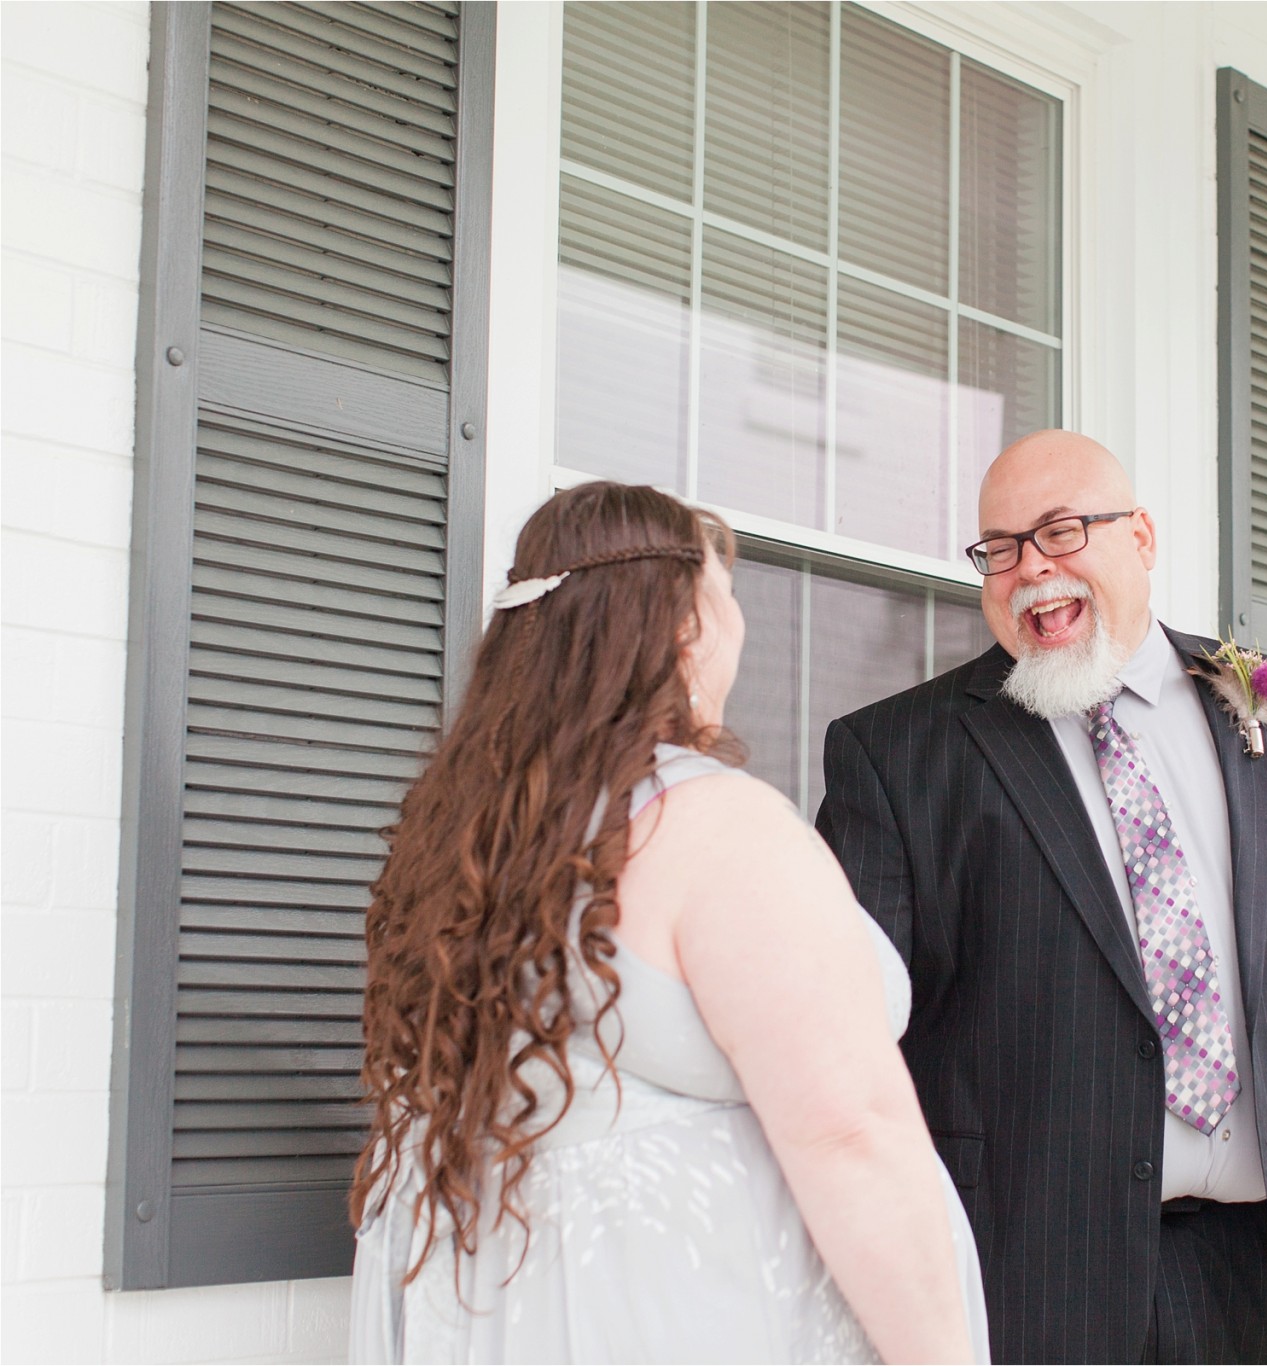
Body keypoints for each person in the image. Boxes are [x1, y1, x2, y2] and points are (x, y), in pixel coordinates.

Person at [349, 481, 986, 1364]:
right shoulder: (717, 827)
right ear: (687, 625)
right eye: (729, 599)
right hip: (688, 1320)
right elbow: (851, 1135)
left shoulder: (470, 840)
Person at [816, 431, 1267, 1364]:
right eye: (1001, 549)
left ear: (1141, 537)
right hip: (1024, 1273)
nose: (1030, 570)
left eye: (1061, 533)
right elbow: (849, 1043)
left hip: (1250, 1273)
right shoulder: (898, 755)